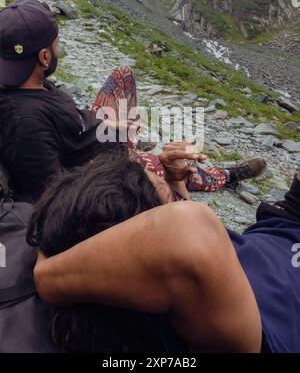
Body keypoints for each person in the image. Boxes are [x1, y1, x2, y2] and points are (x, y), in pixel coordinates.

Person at [32, 149, 300, 353]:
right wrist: (49, 276)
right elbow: (188, 230)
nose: (181, 204)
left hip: (279, 228)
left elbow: (180, 247)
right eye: (172, 201)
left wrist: (175, 182)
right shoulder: (231, 338)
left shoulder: (186, 293)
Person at [0, 0, 266, 203]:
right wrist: (113, 167)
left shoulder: (25, 79)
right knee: (166, 168)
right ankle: (225, 175)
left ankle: (135, 143)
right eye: (56, 44)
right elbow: (52, 194)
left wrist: (108, 127)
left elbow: (67, 122)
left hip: (99, 137)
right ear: (45, 57)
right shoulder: (25, 122)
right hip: (101, 169)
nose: (59, 49)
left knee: (123, 75)